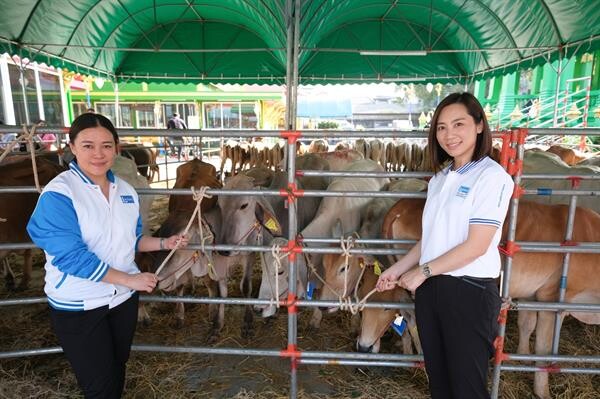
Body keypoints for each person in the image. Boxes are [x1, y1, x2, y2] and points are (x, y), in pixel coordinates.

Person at [26, 113, 188, 398]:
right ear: (72, 148)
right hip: (79, 305)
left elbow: (132, 240)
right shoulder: (59, 194)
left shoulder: (125, 190)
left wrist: (165, 242)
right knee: (100, 387)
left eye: (106, 145)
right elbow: (72, 257)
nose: (98, 154)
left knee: (117, 369)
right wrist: (131, 279)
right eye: (88, 145)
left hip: (122, 301)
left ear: (117, 148)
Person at [376, 92, 513, 399]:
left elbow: (478, 245)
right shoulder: (440, 178)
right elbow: (432, 237)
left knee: (466, 387)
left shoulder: (492, 177)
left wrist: (423, 271)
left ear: (479, 126)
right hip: (431, 290)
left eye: (459, 124)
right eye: (441, 127)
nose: (449, 134)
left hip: (469, 291)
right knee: (439, 382)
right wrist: (398, 269)